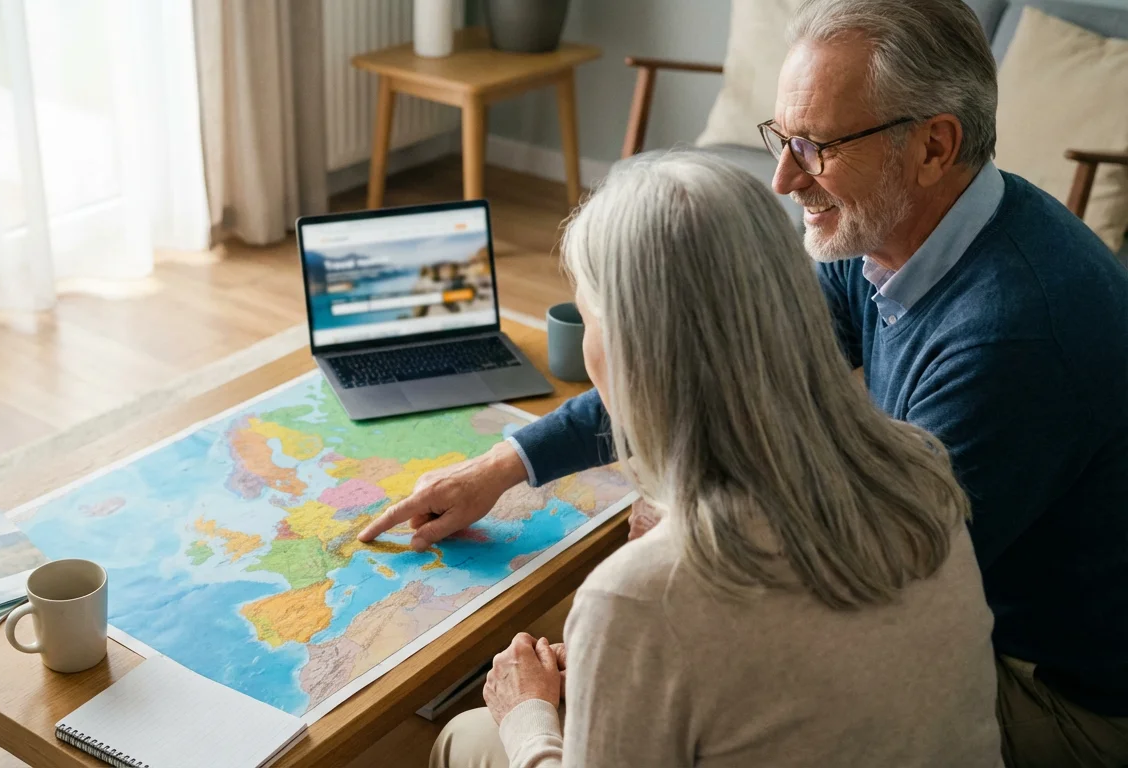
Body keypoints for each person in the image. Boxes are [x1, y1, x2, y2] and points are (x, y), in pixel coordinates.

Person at [360, 1, 1128, 764]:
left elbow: (876, 582)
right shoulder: (893, 237)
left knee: (483, 731)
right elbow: (706, 360)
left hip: (1058, 696)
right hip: (940, 594)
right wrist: (507, 465)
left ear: (935, 145)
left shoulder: (1016, 340)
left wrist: (652, 593)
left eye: (817, 146)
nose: (784, 178)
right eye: (782, 139)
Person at [426, 150, 1002, 767]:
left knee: (467, 738)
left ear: (627, 350)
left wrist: (528, 713)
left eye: (588, 315)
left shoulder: (636, 596)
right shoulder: (921, 464)